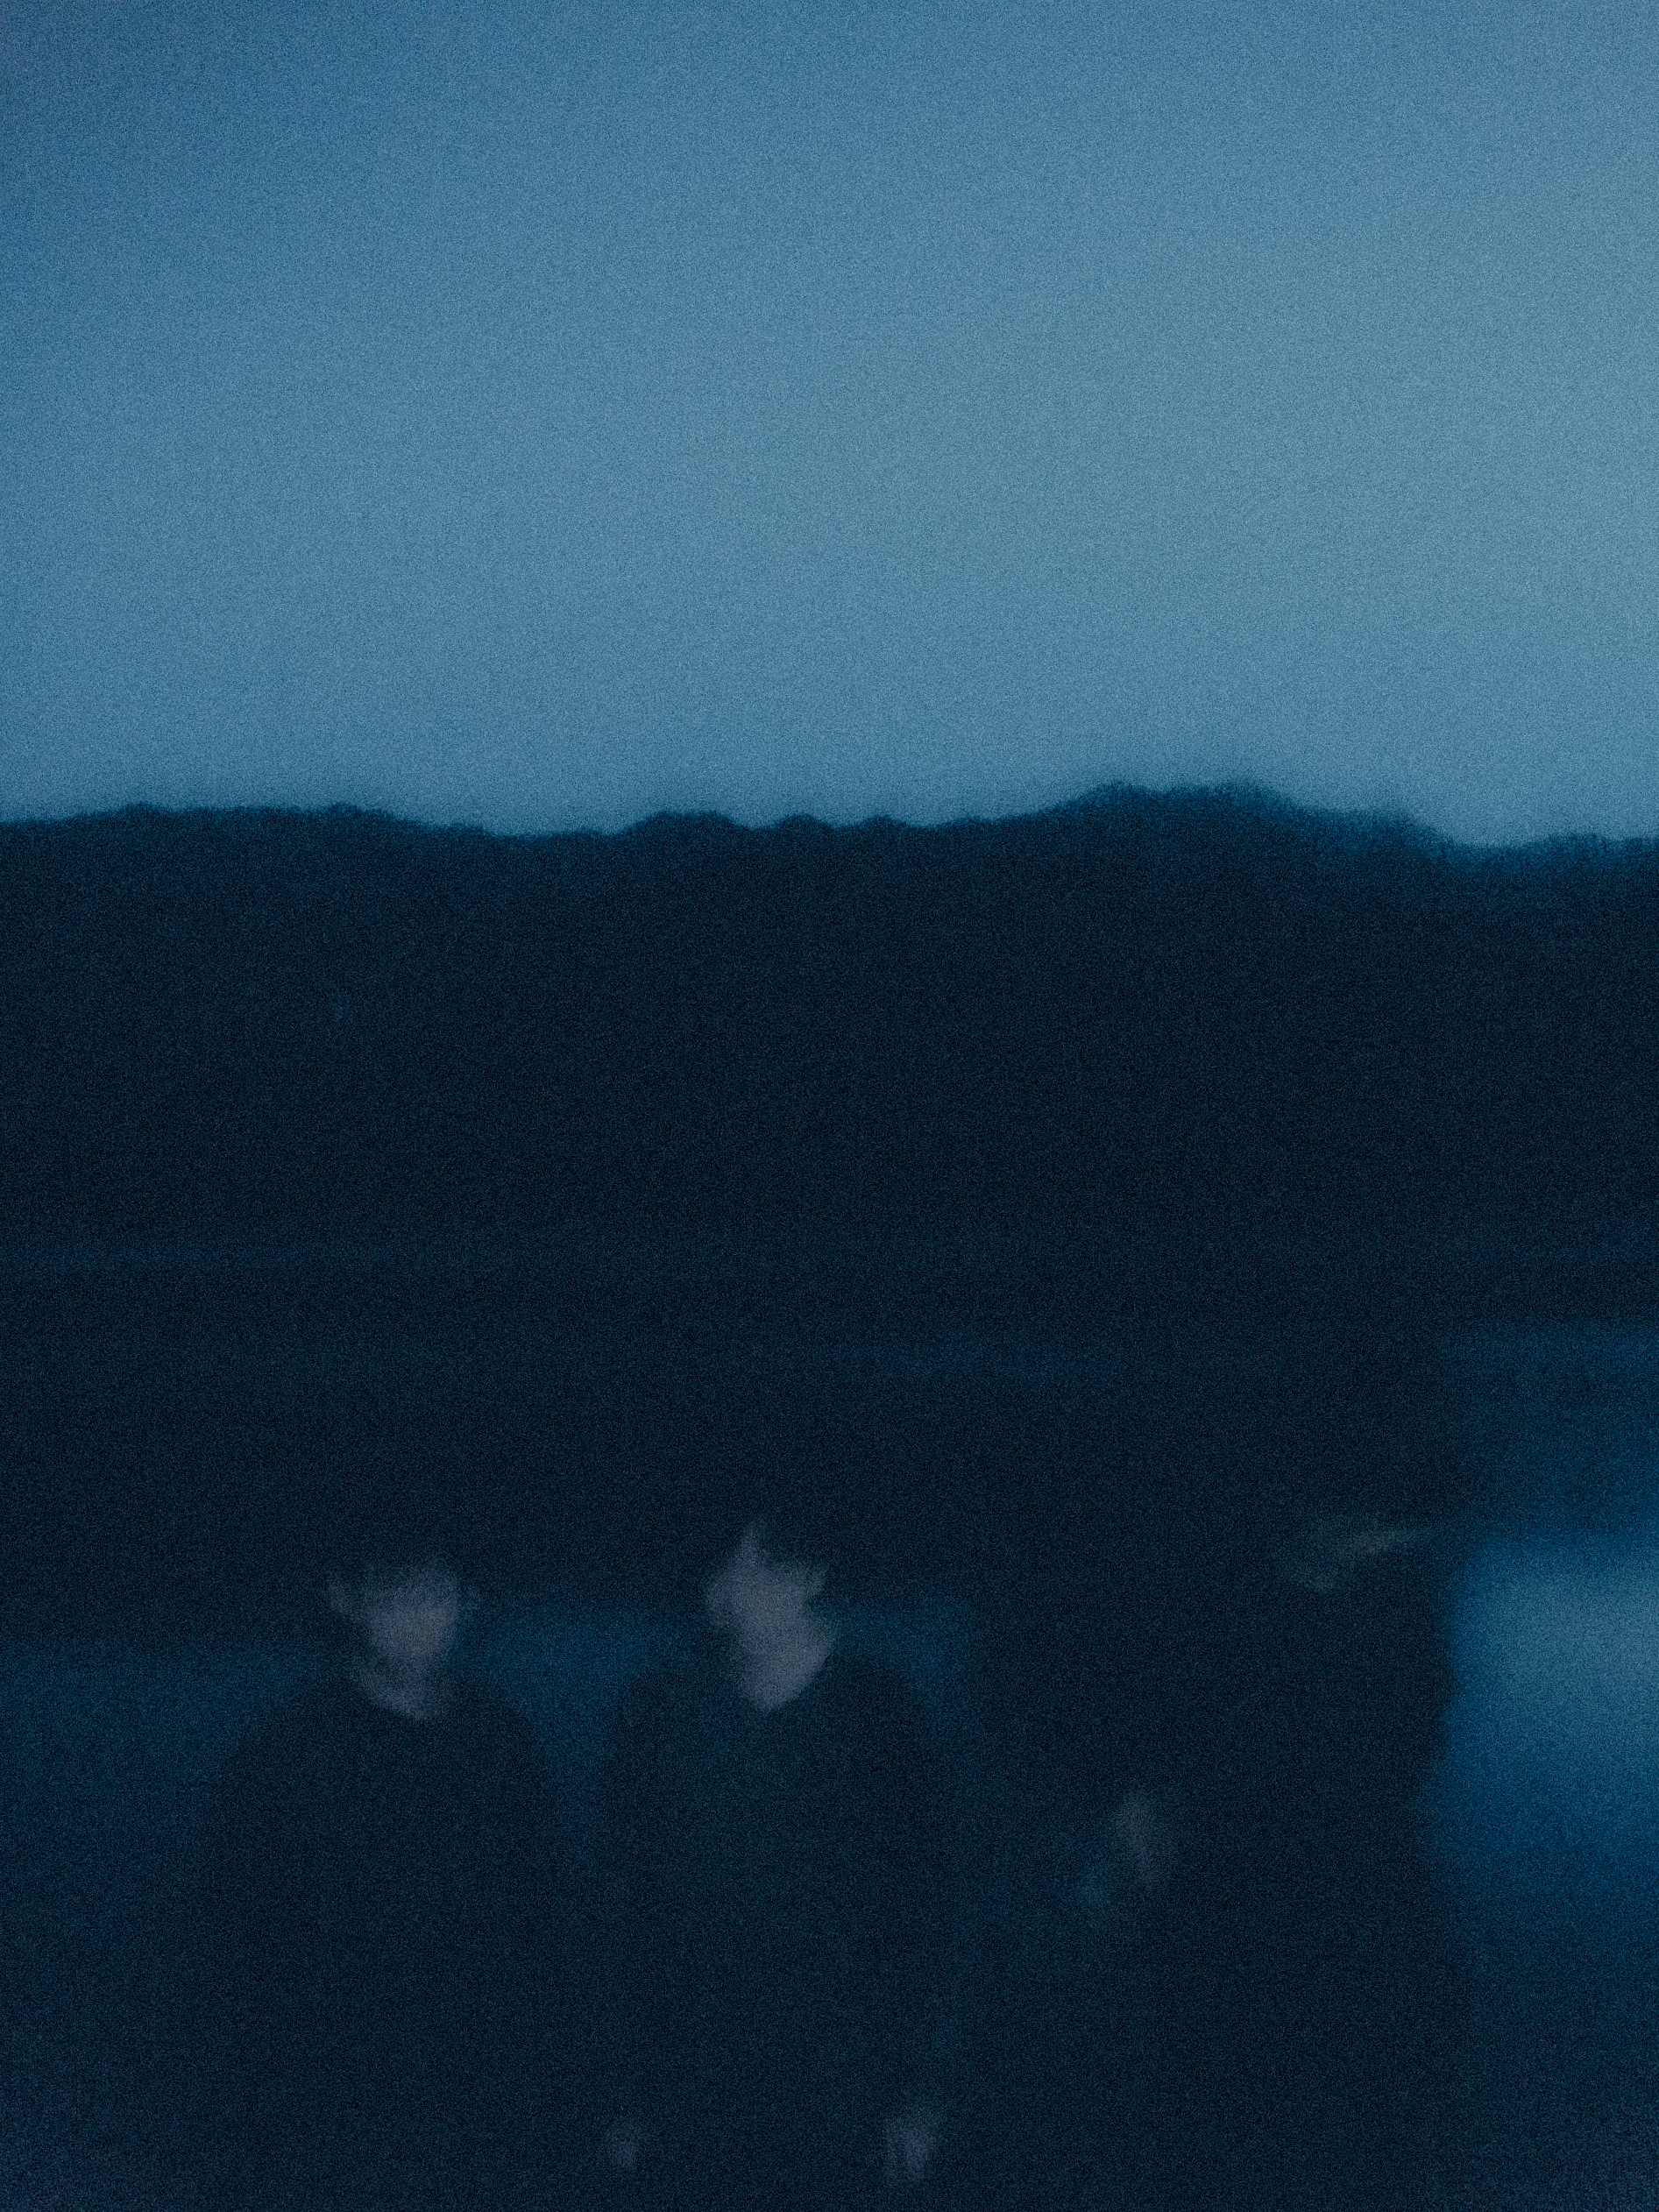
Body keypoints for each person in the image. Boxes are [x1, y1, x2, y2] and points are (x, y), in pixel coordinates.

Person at [195, 1514, 578, 2212]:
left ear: (468, 1603)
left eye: (435, 1596)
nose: (417, 1620)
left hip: (480, 2087)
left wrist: (552, 2072)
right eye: (394, 1596)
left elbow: (540, 1918)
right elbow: (239, 1933)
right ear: (347, 1599)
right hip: (331, 2093)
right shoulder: (285, 1755)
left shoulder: (502, 1744)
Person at [595, 1490, 957, 2212]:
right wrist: (621, 2090)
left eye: (760, 1570)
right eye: (723, 1571)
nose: (737, 1593)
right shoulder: (659, 1711)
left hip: (843, 2081)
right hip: (693, 2080)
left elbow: (930, 1909)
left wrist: (922, 2090)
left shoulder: (881, 1714)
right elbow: (622, 1906)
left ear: (810, 1575)